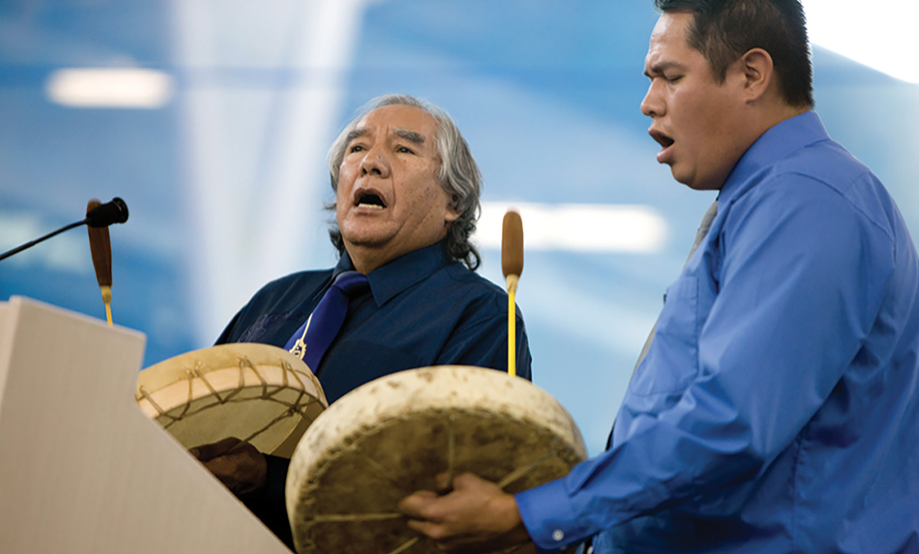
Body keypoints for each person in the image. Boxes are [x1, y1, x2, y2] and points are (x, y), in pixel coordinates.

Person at [399, 1, 919, 553]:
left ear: (751, 75)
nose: (649, 104)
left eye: (671, 77)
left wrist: (533, 516)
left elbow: (732, 422)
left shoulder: (810, 200)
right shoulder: (763, 204)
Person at [199, 94, 532, 549]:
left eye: (404, 149)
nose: (371, 163)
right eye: (356, 149)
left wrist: (269, 478)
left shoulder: (479, 317)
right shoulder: (274, 299)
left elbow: (455, 496)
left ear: (452, 200)